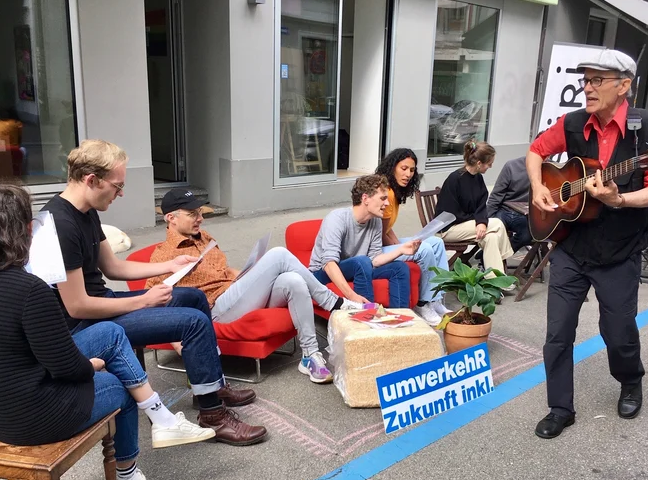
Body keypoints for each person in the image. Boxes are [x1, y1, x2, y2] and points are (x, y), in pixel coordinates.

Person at [0, 178, 216, 480]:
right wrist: (95, 366)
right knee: (120, 386)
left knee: (110, 333)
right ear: (25, 229)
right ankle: (127, 477)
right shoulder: (28, 289)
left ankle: (164, 421)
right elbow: (66, 367)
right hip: (33, 416)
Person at [43, 139, 267, 446]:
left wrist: (170, 265)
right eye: (117, 186)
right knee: (193, 322)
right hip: (87, 325)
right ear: (91, 180)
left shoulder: (86, 211)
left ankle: (211, 386)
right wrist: (144, 300)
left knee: (194, 298)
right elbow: (77, 306)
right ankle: (213, 415)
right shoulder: (60, 225)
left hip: (104, 305)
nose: (120, 194)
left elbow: (114, 269)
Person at [527, 49, 648, 439]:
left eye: (596, 81)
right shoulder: (573, 123)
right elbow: (537, 151)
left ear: (623, 86)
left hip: (620, 250)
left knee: (618, 330)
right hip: (573, 246)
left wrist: (619, 199)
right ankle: (560, 407)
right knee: (558, 333)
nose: (586, 88)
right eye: (585, 81)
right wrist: (540, 186)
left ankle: (630, 380)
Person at [146, 189, 364, 384]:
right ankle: (332, 302)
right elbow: (151, 299)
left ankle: (310, 356)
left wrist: (252, 275)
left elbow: (224, 270)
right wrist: (175, 340)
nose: (200, 218)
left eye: (200, 212)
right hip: (215, 310)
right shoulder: (163, 256)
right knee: (278, 255)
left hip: (236, 293)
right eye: (193, 214)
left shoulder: (204, 237)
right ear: (171, 218)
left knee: (293, 281)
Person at [309, 174, 416, 310]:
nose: (387, 204)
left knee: (400, 268)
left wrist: (401, 250)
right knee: (361, 262)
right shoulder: (337, 219)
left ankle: (400, 321)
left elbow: (375, 259)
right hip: (321, 274)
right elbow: (329, 264)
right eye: (383, 198)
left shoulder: (376, 221)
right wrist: (352, 296)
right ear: (365, 198)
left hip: (358, 268)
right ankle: (368, 317)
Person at [375, 148, 450, 326]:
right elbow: (380, 234)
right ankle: (423, 303)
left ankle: (435, 299)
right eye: (404, 168)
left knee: (436, 242)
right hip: (375, 248)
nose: (408, 174)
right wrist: (404, 248)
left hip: (383, 241)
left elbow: (387, 228)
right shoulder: (388, 192)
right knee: (423, 249)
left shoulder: (394, 190)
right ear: (392, 167)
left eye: (412, 170)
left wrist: (402, 244)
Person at [435, 141, 514, 277]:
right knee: (497, 223)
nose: (490, 166)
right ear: (479, 163)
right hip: (449, 229)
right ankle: (505, 256)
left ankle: (495, 280)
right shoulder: (455, 179)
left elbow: (481, 205)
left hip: (466, 226)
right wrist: (479, 222)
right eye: (489, 163)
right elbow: (451, 214)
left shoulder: (477, 178)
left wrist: (480, 222)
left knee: (491, 237)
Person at [486, 156, 533, 252]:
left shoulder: (550, 168)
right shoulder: (511, 166)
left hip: (526, 214)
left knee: (526, 236)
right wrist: (487, 219)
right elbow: (496, 194)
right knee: (494, 231)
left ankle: (494, 254)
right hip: (504, 210)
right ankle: (489, 255)